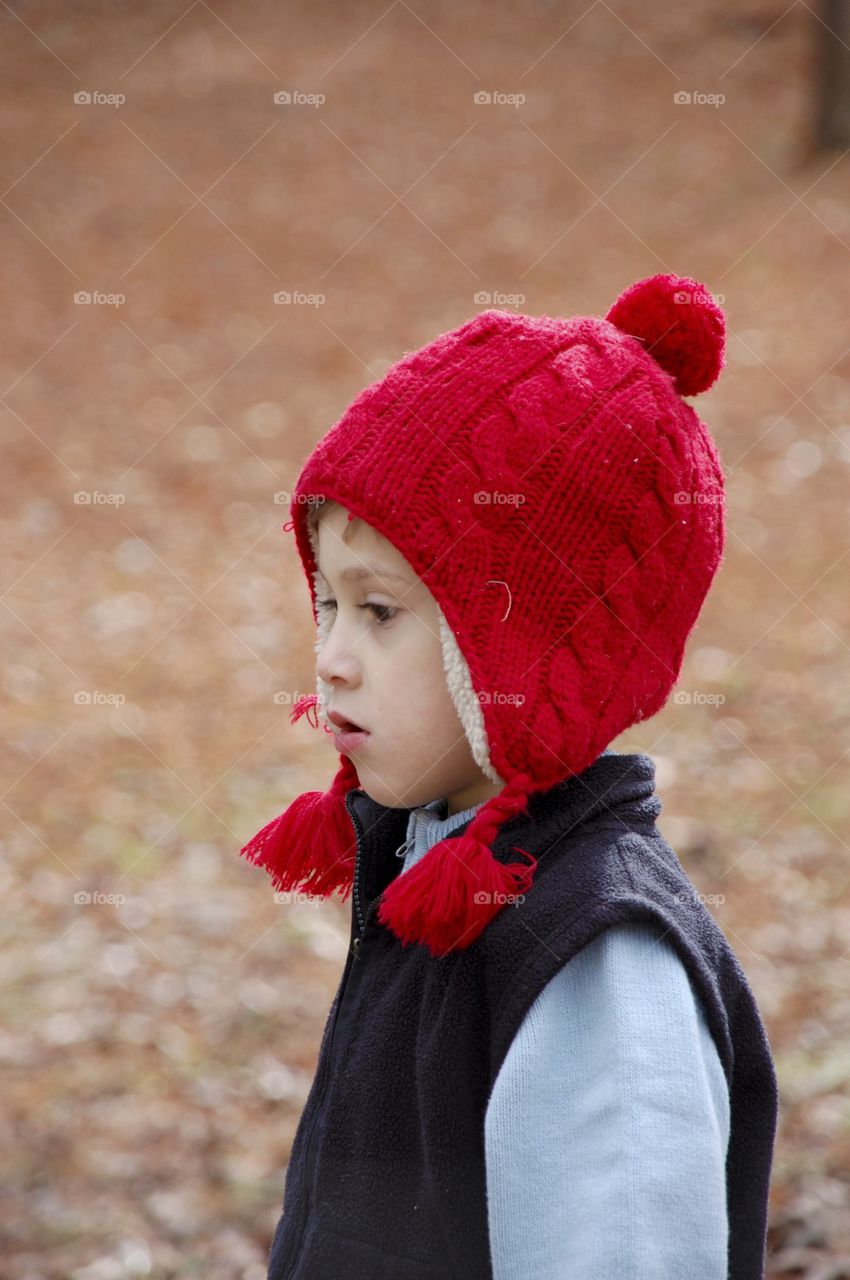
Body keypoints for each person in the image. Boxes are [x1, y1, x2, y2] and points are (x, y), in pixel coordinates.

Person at [240, 273, 779, 1279]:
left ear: (522, 650)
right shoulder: (431, 866)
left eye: (381, 610)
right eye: (327, 604)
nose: (332, 656)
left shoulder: (595, 955)